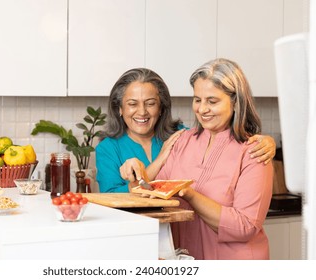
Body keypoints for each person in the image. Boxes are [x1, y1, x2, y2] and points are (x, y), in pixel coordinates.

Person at [120, 58, 274, 260]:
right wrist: (136, 174)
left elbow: (245, 227)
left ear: (235, 101)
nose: (202, 109)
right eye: (197, 99)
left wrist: (190, 195)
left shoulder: (254, 151)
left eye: (212, 101)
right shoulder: (183, 140)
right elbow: (150, 193)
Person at [96, 67, 276, 193]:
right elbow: (111, 198)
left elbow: (221, 141)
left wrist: (266, 141)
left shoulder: (181, 136)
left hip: (180, 234)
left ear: (161, 107)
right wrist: (159, 161)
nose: (142, 112)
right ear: (119, 108)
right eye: (132, 104)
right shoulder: (108, 149)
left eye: (150, 104)